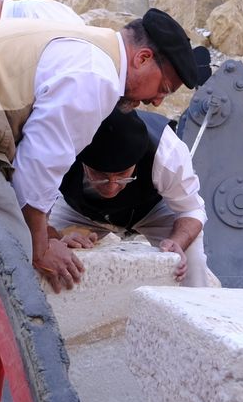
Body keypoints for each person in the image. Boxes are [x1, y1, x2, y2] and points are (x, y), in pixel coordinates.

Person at [0, 9, 210, 291]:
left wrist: (48, 235)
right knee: (5, 244)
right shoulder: (97, 74)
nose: (157, 101)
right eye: (163, 88)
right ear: (143, 58)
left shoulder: (88, 48)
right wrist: (39, 246)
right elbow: (39, 164)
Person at [50, 109, 214, 287]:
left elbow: (191, 209)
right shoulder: (58, 148)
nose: (111, 188)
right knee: (42, 252)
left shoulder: (167, 152)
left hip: (152, 209)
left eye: (122, 175)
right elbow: (32, 207)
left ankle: (194, 297)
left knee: (189, 258)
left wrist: (177, 242)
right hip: (79, 211)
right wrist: (54, 237)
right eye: (100, 176)